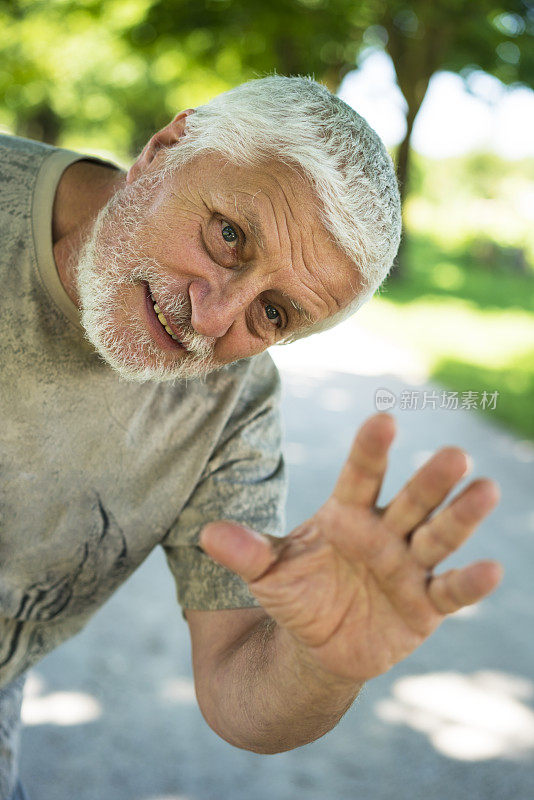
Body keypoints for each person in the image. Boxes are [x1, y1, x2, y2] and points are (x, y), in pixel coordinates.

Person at [0, 75, 501, 799]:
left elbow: (238, 686)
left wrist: (324, 660)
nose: (212, 318)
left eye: (272, 313)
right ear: (166, 150)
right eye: (228, 234)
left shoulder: (233, 406)